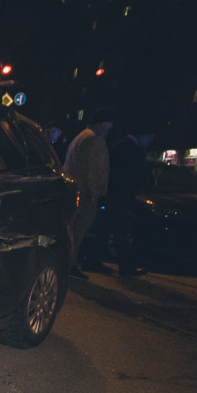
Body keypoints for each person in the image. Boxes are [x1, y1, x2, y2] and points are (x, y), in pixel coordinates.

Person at [63, 110, 113, 277]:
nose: (110, 128)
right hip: (85, 192)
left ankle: (69, 263)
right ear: (102, 123)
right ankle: (70, 264)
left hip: (76, 189)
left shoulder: (82, 137)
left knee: (72, 228)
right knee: (77, 230)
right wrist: (94, 191)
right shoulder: (94, 139)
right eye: (109, 124)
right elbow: (93, 169)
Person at [104, 117, 154, 277]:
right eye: (149, 137)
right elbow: (126, 175)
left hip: (117, 195)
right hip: (120, 196)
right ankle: (126, 267)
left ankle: (93, 260)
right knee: (122, 232)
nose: (150, 141)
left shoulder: (124, 147)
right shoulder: (129, 149)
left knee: (109, 229)